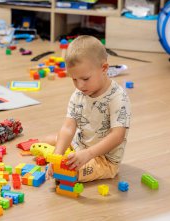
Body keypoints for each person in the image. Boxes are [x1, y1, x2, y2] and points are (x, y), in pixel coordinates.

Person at [44, 35, 131, 182]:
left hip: (104, 159)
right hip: (81, 145)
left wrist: (88, 154)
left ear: (104, 68)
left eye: (85, 79)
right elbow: (68, 127)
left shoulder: (118, 97)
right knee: (49, 141)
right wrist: (57, 156)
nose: (80, 86)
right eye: (74, 79)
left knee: (66, 174)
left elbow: (118, 136)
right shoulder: (78, 94)